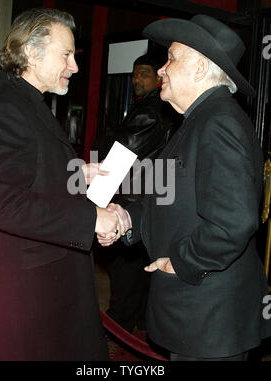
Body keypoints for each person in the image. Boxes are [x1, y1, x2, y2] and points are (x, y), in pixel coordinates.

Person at [98, 15, 271, 361]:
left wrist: (179, 263)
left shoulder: (218, 122)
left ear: (200, 68)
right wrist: (126, 219)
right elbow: (169, 195)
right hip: (198, 316)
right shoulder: (199, 119)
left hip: (209, 318)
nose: (162, 69)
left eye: (172, 58)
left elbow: (233, 223)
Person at [0, 8, 124, 361]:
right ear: (30, 52)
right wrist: (92, 219)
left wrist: (74, 173)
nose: (75, 67)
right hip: (28, 298)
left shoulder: (21, 99)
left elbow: (30, 171)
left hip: (43, 285)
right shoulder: (4, 108)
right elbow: (9, 206)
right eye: (66, 55)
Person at [94, 54, 180, 333]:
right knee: (141, 276)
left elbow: (121, 154)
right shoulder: (164, 108)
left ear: (158, 78)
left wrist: (94, 199)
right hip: (152, 199)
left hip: (132, 199)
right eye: (134, 74)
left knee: (125, 278)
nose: (136, 80)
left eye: (144, 73)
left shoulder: (149, 111)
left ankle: (116, 334)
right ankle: (140, 331)